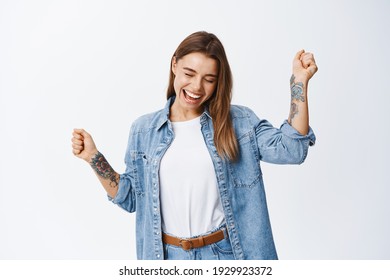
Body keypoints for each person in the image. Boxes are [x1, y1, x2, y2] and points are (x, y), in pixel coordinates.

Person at [71, 31, 317, 260]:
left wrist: (299, 82)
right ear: (174, 65)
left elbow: (292, 150)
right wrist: (94, 157)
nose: (197, 87)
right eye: (189, 74)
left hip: (227, 254)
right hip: (165, 256)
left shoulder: (239, 123)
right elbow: (131, 198)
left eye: (209, 79)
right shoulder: (143, 130)